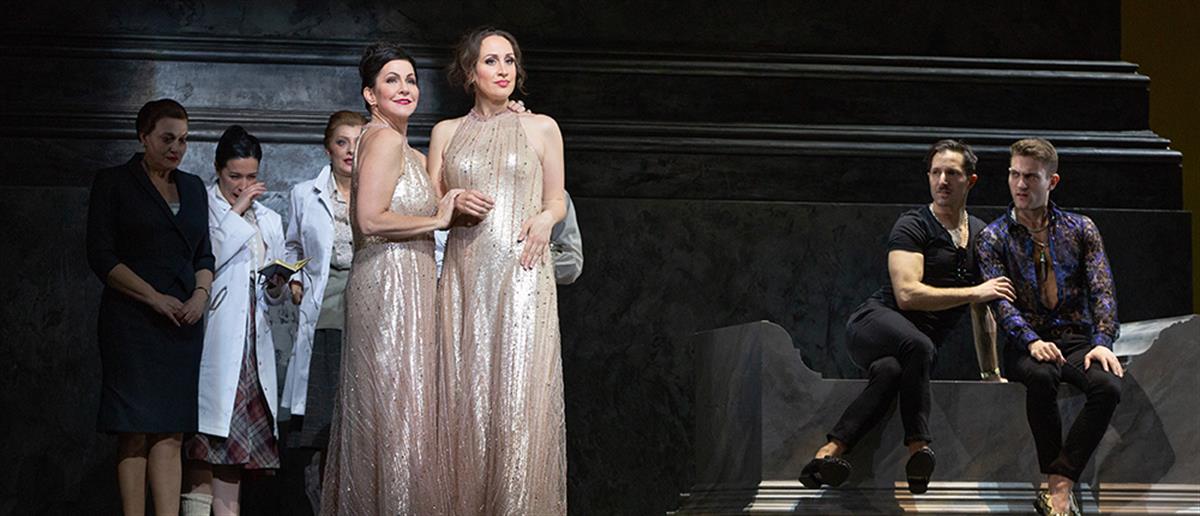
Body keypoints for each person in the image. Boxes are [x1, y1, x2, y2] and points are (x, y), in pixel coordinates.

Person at [800, 140, 1013, 494]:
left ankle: (825, 457)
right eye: (935, 172)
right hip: (873, 325)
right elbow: (907, 295)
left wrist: (991, 373)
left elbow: (984, 307)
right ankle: (919, 448)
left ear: (970, 181)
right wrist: (975, 292)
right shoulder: (913, 224)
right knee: (920, 346)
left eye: (952, 173)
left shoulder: (982, 234)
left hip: (912, 351)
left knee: (890, 373)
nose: (942, 180)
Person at [428, 27, 568, 514]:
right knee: (465, 399)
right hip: (465, 275)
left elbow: (556, 199)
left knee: (517, 398)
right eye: (491, 61)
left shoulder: (542, 127)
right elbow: (429, 204)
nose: (503, 70)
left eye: (509, 60)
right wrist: (451, 197)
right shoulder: (446, 132)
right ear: (470, 72)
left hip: (523, 274)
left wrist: (547, 219)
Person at [319, 42, 463, 515]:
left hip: (408, 283)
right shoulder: (380, 139)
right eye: (392, 80)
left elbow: (441, 189)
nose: (405, 89)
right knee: (394, 412)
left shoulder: (407, 150)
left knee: (404, 410)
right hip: (387, 284)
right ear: (370, 94)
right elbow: (369, 219)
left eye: (411, 80)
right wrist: (437, 220)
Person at [977, 138, 1122, 516]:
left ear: (1051, 181)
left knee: (1107, 386)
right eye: (1014, 175)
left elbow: (1103, 290)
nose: (1020, 184)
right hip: (1025, 343)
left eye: (1030, 177)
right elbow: (1001, 305)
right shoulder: (993, 237)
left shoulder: (1080, 228)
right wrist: (1030, 341)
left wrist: (1103, 341)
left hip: (1075, 339)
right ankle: (1057, 495)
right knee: (1042, 377)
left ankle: (1060, 481)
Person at [86, 98, 214, 516]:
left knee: (172, 432)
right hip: (133, 323)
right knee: (134, 430)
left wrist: (200, 296)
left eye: (183, 140)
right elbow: (101, 256)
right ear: (143, 137)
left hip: (181, 325)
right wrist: (153, 297)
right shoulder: (114, 183)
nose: (176, 148)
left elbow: (204, 255)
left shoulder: (193, 187)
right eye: (167, 138)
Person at [181, 125, 288, 516]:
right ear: (218, 170)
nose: (243, 185)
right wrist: (237, 210)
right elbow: (209, 256)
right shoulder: (203, 207)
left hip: (253, 344)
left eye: (251, 177)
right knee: (204, 446)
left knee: (234, 454)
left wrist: (278, 285)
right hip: (213, 340)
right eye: (234, 176)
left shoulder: (270, 219)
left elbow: (274, 291)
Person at [278, 110, 366, 515]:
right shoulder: (304, 193)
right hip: (325, 310)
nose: (349, 151)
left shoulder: (379, 188)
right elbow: (293, 246)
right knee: (322, 424)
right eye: (341, 142)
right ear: (327, 147)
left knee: (361, 425)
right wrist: (295, 280)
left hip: (368, 306)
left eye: (357, 143)